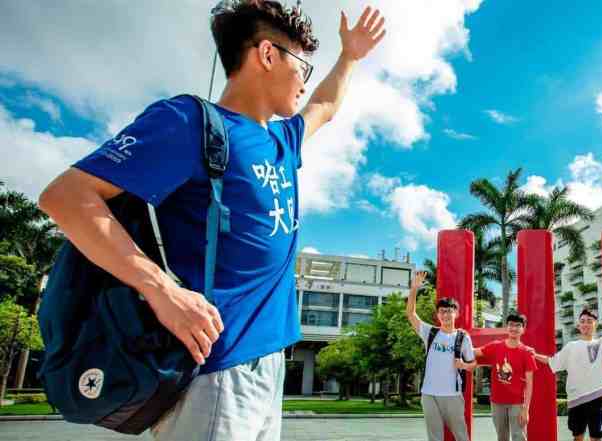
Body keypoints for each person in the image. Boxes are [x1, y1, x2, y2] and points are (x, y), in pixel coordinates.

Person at [37, 2, 385, 440]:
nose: (304, 81)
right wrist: (161, 290)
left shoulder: (282, 140)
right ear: (267, 55)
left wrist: (350, 55)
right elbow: (66, 197)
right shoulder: (189, 121)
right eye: (302, 66)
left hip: (268, 363)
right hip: (211, 372)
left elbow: (327, 104)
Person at [530, 289, 602, 441]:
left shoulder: (600, 344)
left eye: (590, 321)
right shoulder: (571, 346)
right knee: (578, 437)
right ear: (578, 325)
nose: (586, 324)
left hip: (595, 399)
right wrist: (534, 355)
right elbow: (552, 362)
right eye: (583, 321)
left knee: (596, 438)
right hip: (575, 399)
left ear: (595, 325)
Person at [406, 271, 477, 441]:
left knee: (461, 435)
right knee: (434, 437)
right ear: (438, 315)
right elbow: (411, 315)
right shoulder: (429, 332)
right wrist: (414, 289)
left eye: (449, 311)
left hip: (452, 394)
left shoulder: (462, 336)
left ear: (456, 313)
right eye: (442, 312)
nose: (446, 315)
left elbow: (473, 363)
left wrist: (464, 366)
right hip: (429, 394)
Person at [474, 312, 537, 441]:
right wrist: (454, 344)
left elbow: (530, 384)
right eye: (511, 325)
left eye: (518, 325)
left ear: (523, 329)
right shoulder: (495, 346)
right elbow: (474, 351)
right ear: (506, 327)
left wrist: (526, 409)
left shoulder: (527, 353)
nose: (514, 328)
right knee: (501, 437)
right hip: (497, 402)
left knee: (518, 437)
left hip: (517, 403)